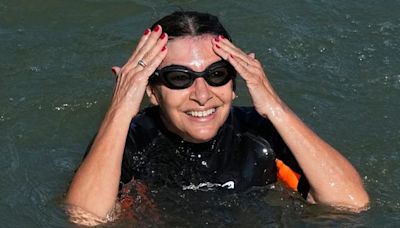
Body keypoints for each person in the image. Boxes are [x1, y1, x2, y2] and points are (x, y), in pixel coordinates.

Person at [65, 11, 369, 224]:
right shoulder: (131, 138)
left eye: (217, 74)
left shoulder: (259, 134)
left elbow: (352, 204)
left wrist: (274, 106)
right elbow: (85, 218)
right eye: (179, 78)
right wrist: (119, 111)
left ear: (235, 85)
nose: (202, 93)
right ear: (152, 92)